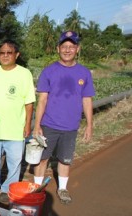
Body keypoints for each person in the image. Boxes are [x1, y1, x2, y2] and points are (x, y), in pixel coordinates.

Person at [33, 31, 95, 204]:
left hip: (71, 126)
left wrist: (89, 125)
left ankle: (62, 188)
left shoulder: (84, 73)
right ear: (58, 48)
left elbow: (87, 100)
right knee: (42, 158)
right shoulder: (49, 71)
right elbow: (42, 100)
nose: (67, 50)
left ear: (77, 49)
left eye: (71, 46)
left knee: (65, 159)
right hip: (49, 124)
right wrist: (37, 125)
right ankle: (37, 189)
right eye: (64, 46)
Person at [0, 39, 36, 204]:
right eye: (2, 53)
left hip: (15, 128)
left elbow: (29, 103)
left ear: (16, 55)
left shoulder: (24, 73)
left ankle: (7, 188)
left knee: (14, 162)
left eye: (9, 53)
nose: (5, 56)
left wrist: (27, 125)